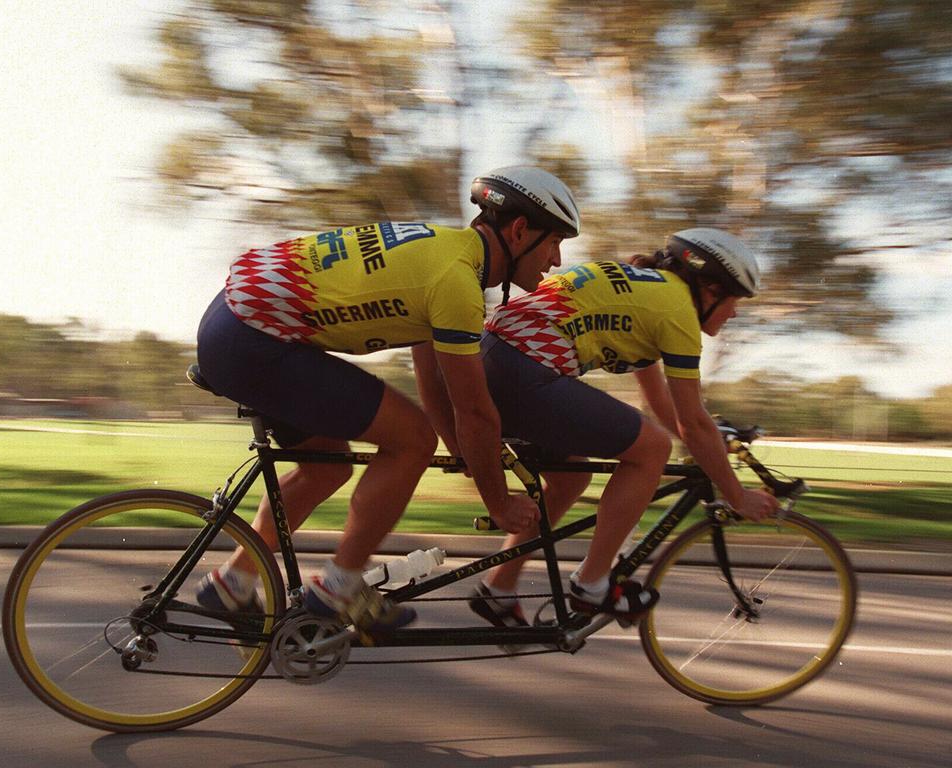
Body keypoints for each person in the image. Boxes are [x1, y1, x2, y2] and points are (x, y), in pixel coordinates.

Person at [193, 166, 581, 638]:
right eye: (553, 242)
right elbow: (475, 412)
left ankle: (233, 582)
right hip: (253, 338)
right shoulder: (456, 281)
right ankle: (339, 589)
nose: (557, 260)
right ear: (519, 230)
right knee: (411, 440)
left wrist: (458, 448)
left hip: (232, 320)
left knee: (328, 466)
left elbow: (432, 378)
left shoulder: (443, 251)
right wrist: (498, 503)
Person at [416, 227, 780, 628]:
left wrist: (714, 437)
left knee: (572, 478)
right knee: (651, 450)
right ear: (710, 288)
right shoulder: (676, 310)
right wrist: (736, 495)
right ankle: (592, 584)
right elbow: (690, 423)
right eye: (735, 300)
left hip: (492, 361)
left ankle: (499, 589)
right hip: (520, 373)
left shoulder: (646, 291)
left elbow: (668, 408)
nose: (736, 312)